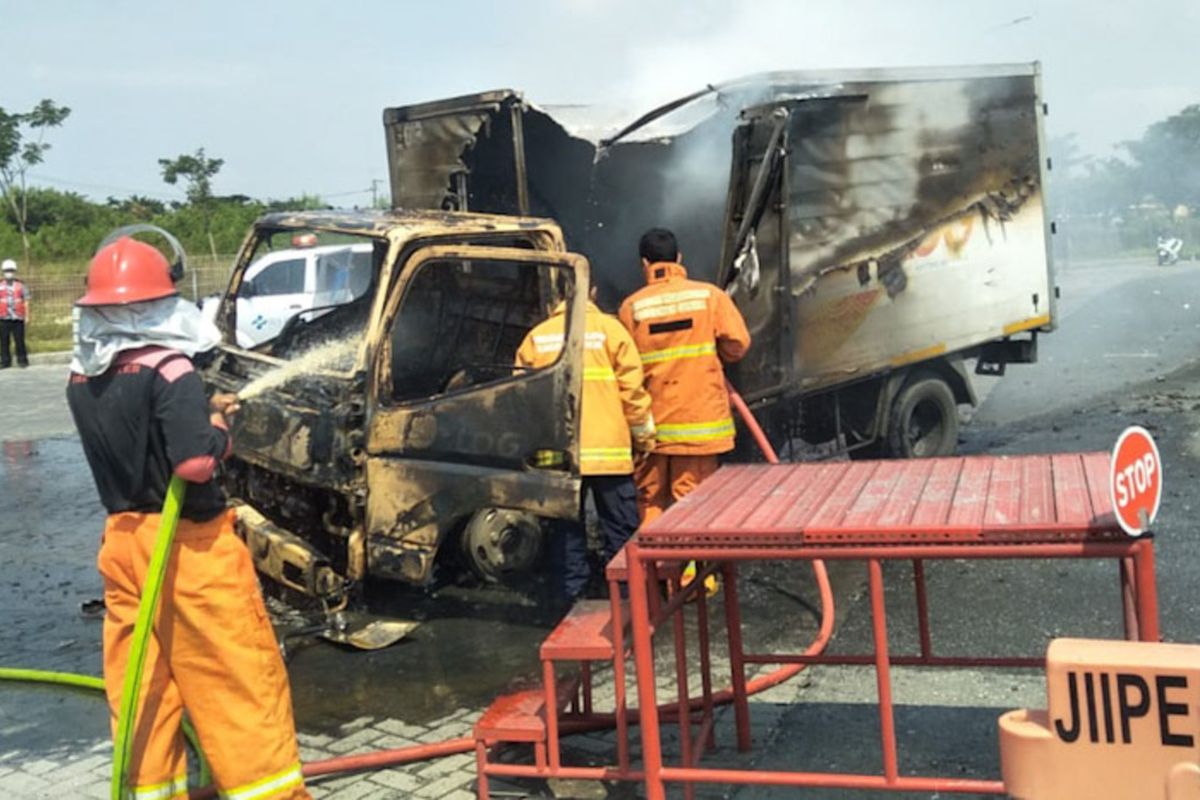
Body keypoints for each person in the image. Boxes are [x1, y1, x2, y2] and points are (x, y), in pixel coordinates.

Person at [66, 234, 310, 800]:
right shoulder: (171, 370)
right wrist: (219, 429)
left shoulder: (83, 376)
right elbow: (195, 462)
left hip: (122, 543)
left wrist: (198, 417)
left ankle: (153, 791)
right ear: (156, 304)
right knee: (234, 679)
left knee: (143, 685)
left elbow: (140, 436)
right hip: (187, 546)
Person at [516, 285, 656, 604]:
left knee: (564, 531)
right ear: (593, 291)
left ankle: (572, 601)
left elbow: (522, 399)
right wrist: (644, 438)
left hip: (556, 455)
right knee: (620, 529)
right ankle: (628, 599)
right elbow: (633, 394)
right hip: (609, 452)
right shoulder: (612, 331)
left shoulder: (537, 338)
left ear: (556, 295)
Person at [618, 228, 751, 524]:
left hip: (652, 427)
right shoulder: (710, 297)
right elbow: (738, 343)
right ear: (679, 258)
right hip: (698, 424)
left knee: (649, 498)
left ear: (644, 263)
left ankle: (655, 569)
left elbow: (624, 364)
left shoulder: (632, 307)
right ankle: (690, 571)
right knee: (690, 499)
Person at [0, 258, 30, 368]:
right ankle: (5, 361)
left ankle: (22, 360)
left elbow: (26, 301)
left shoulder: (21, 285)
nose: (9, 273)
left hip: (18, 317)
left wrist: (27, 316)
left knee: (20, 340)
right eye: (7, 270)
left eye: (11, 270)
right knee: (4, 341)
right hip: (3, 318)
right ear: (3, 271)